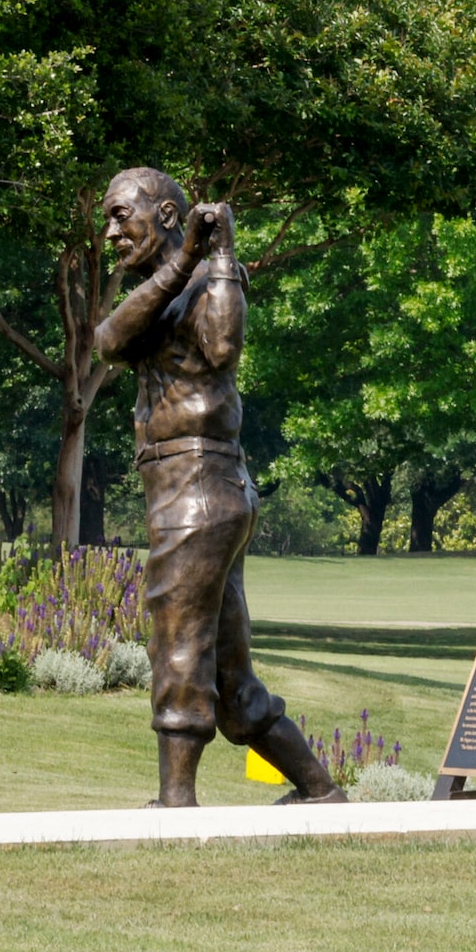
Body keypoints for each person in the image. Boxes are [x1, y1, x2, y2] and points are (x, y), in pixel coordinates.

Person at [93, 168, 341, 808]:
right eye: (109, 218)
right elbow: (109, 342)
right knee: (233, 678)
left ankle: (176, 803)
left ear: (169, 216)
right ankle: (319, 790)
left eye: (123, 215)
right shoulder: (163, 289)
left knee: (177, 642)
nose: (111, 231)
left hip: (198, 486)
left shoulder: (211, 280)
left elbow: (224, 346)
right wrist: (182, 264)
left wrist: (221, 254)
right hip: (195, 488)